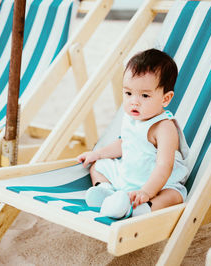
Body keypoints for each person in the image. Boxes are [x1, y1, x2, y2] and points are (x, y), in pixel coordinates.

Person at [77, 48, 189, 219]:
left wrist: (147, 191)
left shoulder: (164, 127)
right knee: (98, 166)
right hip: (129, 174)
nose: (134, 102)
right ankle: (106, 192)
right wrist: (97, 153)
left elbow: (164, 165)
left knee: (175, 195)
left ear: (165, 99)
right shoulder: (131, 118)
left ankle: (140, 209)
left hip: (157, 182)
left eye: (144, 95)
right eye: (128, 93)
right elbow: (124, 144)